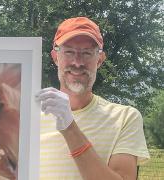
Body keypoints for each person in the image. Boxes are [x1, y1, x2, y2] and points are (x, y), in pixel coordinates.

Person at [36, 17, 150, 180]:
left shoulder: (124, 118)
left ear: (100, 60)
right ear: (55, 57)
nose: (77, 62)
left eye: (87, 53)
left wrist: (70, 128)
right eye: (69, 51)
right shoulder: (25, 117)